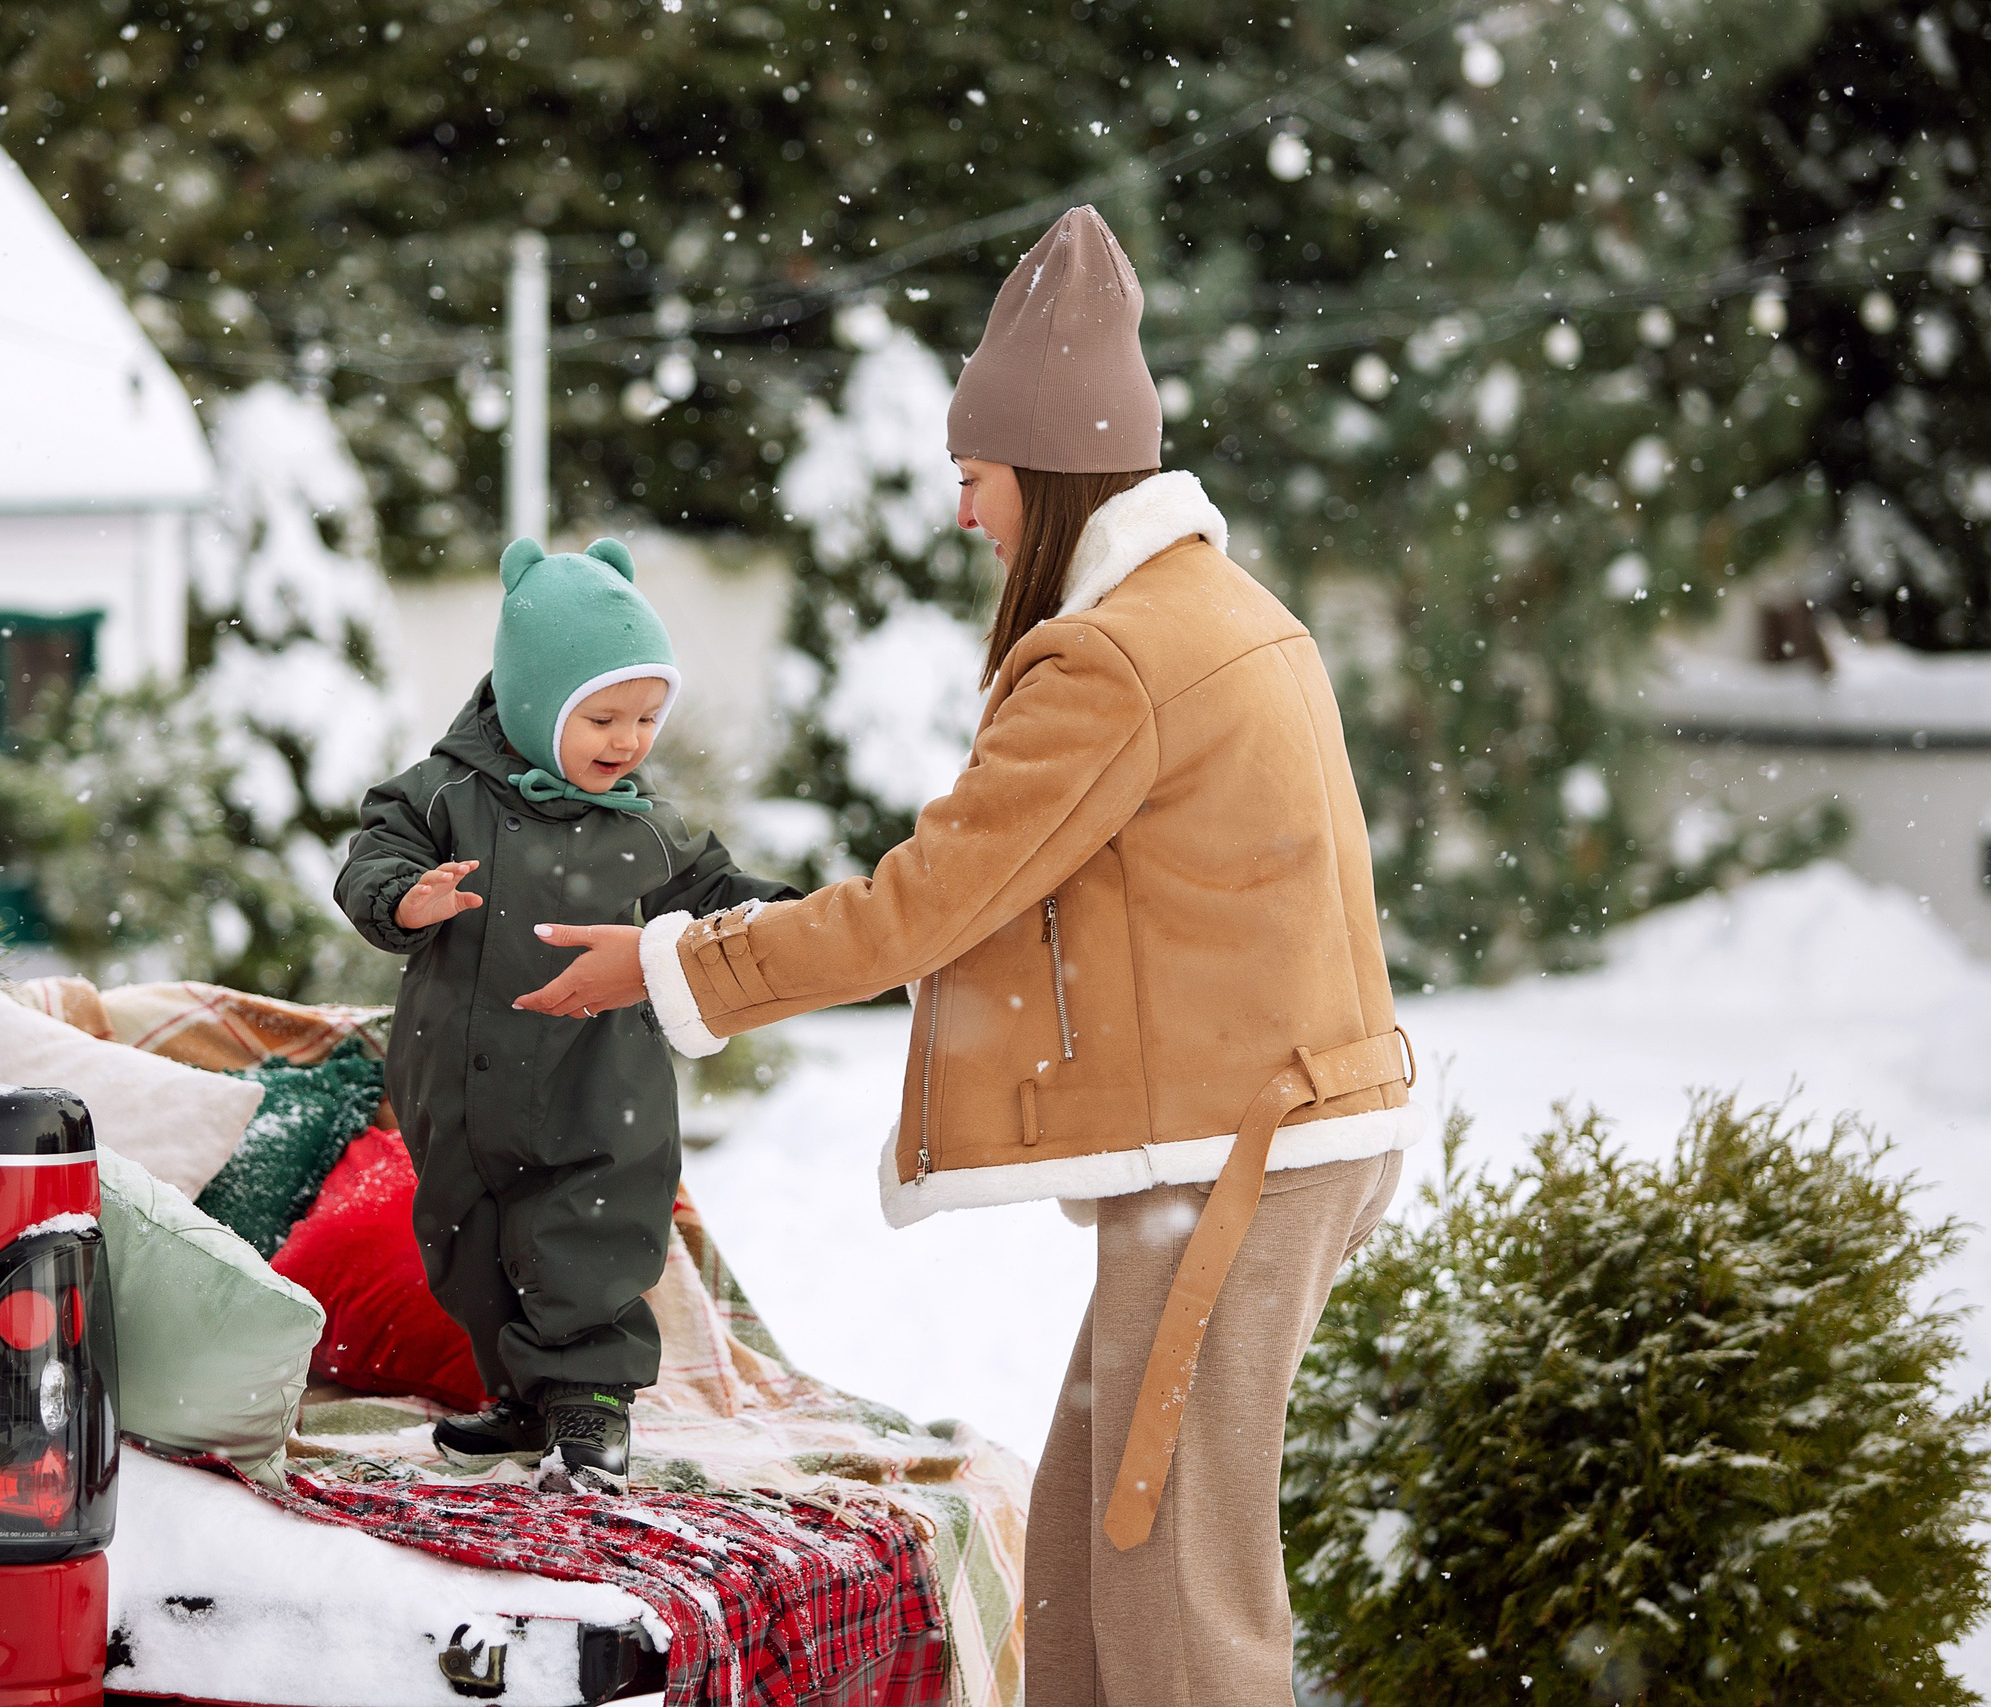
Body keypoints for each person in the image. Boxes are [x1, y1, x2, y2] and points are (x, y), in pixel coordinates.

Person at [515, 208, 1423, 1704]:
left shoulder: (1114, 656)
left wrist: (675, 963)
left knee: (1175, 1586)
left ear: (1053, 479)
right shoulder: (1227, 613)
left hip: (1243, 1156)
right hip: (1285, 1132)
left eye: (979, 478)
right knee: (1087, 1544)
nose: (964, 515)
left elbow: (925, 902)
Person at [334, 534, 798, 1493]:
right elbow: (369, 861)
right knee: (467, 1242)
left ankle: (590, 1406)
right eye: (604, 716)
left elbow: (721, 895)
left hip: (595, 1083)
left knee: (587, 1228)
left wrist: (808, 919)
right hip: (454, 1084)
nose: (629, 740)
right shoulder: (439, 796)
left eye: (647, 717)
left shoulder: (644, 827)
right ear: (537, 699)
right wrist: (403, 897)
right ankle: (523, 1396)